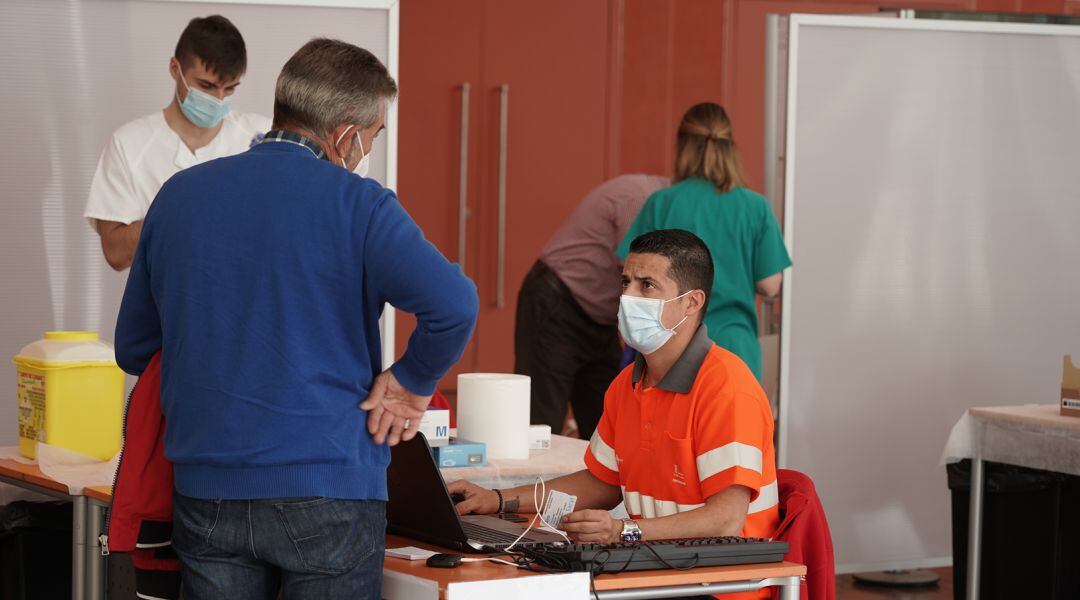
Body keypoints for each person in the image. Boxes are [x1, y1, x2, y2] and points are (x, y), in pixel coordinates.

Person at [114, 39, 478, 599]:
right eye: (372, 139)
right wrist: (410, 383)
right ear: (346, 135)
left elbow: (135, 348)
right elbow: (453, 305)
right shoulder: (361, 205)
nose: (366, 153)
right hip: (329, 485)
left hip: (207, 488)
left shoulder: (178, 197)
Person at [453, 229, 778, 599]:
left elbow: (726, 520)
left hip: (722, 585)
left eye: (647, 285)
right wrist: (495, 499)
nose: (628, 296)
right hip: (656, 572)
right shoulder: (627, 384)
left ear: (692, 302)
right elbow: (602, 483)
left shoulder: (726, 387)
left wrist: (623, 531)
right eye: (625, 282)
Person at [617, 102, 791, 382]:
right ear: (729, 146)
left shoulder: (663, 202)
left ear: (683, 147)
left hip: (674, 345)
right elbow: (771, 284)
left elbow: (633, 271)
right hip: (736, 347)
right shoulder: (755, 207)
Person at [85, 15, 271, 271]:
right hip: (162, 304)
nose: (218, 99)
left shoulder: (263, 137)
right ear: (175, 69)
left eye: (229, 89)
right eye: (206, 86)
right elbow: (115, 254)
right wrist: (173, 212)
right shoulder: (128, 144)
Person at [515, 174, 669, 440]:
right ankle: (529, 483)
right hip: (558, 302)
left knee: (606, 427)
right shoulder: (642, 199)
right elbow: (639, 273)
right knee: (540, 426)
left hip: (600, 316)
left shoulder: (660, 200)